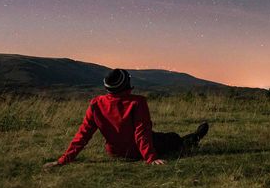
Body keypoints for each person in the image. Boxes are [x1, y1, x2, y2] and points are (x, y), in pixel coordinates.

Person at [43, 68, 209, 169]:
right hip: (138, 152)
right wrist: (150, 157)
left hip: (115, 153)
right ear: (126, 84)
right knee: (172, 138)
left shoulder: (96, 104)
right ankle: (195, 138)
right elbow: (141, 133)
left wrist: (63, 160)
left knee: (163, 137)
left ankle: (193, 138)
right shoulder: (137, 102)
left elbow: (83, 135)